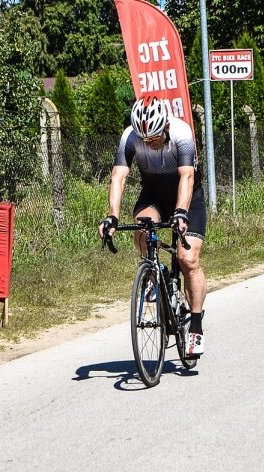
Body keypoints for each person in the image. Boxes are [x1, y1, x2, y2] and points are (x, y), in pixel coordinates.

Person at [99, 96, 207, 356]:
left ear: (165, 127)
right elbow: (119, 177)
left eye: (154, 138)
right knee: (142, 228)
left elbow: (187, 176)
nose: (149, 143)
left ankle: (195, 325)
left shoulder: (182, 134)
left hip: (188, 196)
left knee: (188, 259)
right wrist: (112, 215)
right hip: (154, 197)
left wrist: (181, 212)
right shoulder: (129, 137)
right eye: (144, 139)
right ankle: (152, 275)